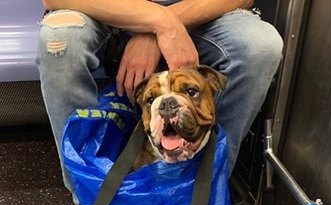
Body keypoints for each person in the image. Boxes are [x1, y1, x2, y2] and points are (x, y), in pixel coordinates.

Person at [37, 0, 283, 195]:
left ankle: (205, 189)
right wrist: (159, 22)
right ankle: (91, 194)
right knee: (58, 42)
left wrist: (164, 27)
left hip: (192, 11)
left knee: (260, 47)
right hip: (105, 11)